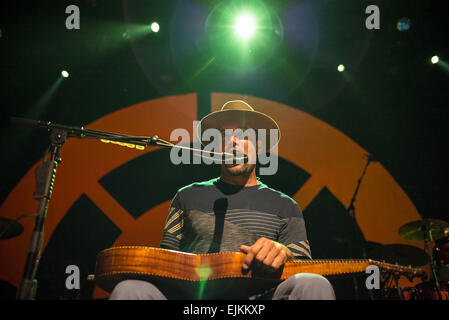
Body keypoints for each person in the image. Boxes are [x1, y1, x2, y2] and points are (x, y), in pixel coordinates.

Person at [109, 100, 335, 300]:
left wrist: (282, 251)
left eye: (244, 135)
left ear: (260, 145)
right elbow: (165, 267)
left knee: (314, 284)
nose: (233, 142)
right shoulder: (187, 196)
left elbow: (304, 266)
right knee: (130, 290)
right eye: (225, 136)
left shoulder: (285, 205)